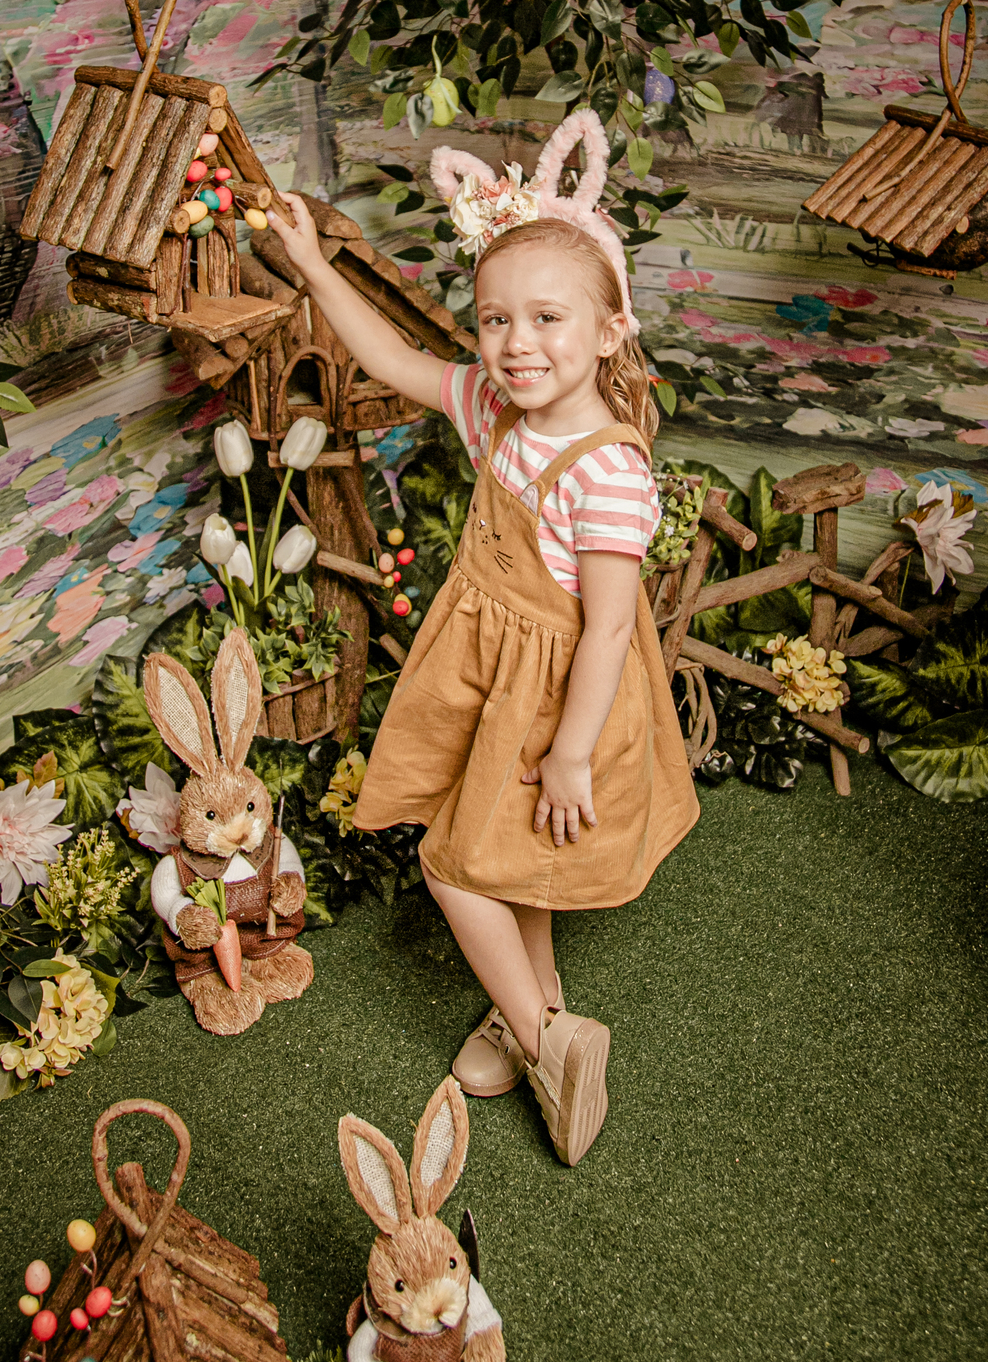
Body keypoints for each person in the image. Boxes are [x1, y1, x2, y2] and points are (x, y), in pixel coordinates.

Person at [265, 109, 699, 1166]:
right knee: (514, 867)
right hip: (488, 677)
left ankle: (555, 1040)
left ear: (609, 331)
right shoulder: (490, 411)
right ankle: (529, 1003)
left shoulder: (609, 471)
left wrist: (568, 752)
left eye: (548, 319)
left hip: (559, 700)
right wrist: (316, 269)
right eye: (497, 320)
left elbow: (605, 633)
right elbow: (398, 356)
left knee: (456, 864)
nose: (516, 344)